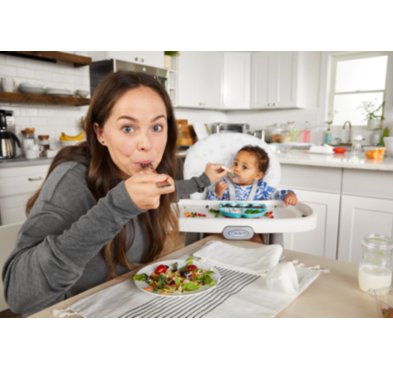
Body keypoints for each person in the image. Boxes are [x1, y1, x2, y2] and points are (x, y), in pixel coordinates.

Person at [2, 71, 227, 316]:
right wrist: (117, 206)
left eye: (156, 127)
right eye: (128, 128)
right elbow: (19, 295)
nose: (146, 144)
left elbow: (170, 191)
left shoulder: (145, 171)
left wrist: (204, 181)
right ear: (100, 133)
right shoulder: (72, 180)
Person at [207, 145, 298, 205]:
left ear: (257, 175)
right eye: (235, 163)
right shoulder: (223, 185)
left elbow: (278, 194)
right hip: (225, 225)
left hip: (253, 227)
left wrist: (289, 195)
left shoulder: (262, 189)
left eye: (244, 167)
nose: (237, 168)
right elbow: (208, 207)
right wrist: (217, 194)